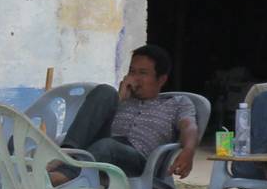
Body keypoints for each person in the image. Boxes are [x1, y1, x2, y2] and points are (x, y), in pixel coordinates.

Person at [59, 44, 199, 181]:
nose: (134, 78)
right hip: (102, 151)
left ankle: (62, 175)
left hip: (138, 162)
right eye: (132, 71)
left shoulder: (177, 102)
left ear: (161, 79)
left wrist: (189, 149)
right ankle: (64, 155)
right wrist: (119, 99)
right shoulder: (123, 98)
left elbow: (189, 126)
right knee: (106, 91)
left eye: (142, 73)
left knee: (108, 146)